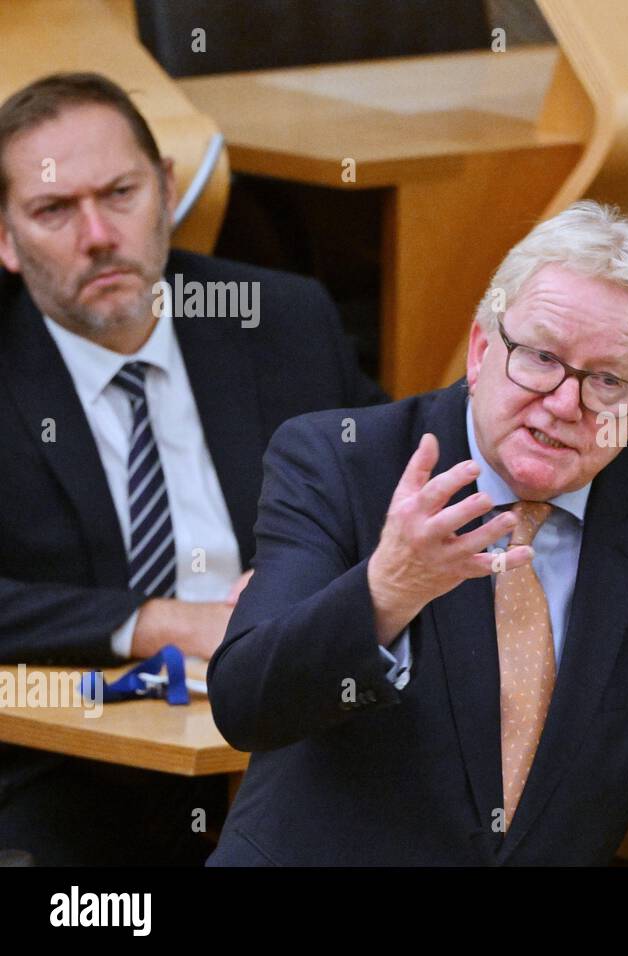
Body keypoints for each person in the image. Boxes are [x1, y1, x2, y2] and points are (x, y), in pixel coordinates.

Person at [205, 201, 628, 865]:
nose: (565, 404)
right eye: (541, 357)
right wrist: (389, 589)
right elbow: (247, 703)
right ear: (482, 349)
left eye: (606, 381)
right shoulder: (340, 462)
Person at [0, 73, 384, 864]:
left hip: (293, 736)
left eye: (120, 193)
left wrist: (300, 591)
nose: (99, 234)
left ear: (168, 188)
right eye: (54, 210)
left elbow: (389, 487)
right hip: (63, 765)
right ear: (4, 239)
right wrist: (159, 622)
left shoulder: (280, 317)